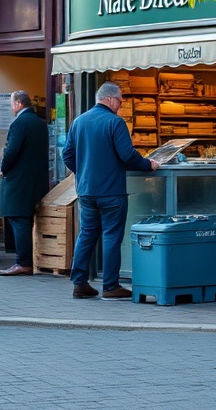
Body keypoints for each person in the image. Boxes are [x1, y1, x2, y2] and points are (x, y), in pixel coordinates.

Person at [61, 81, 160, 300]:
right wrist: (148, 165)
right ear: (109, 99)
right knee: (111, 237)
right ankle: (110, 286)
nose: (121, 105)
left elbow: (66, 154)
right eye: (120, 101)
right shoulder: (115, 123)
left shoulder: (79, 121)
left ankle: (79, 283)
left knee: (86, 235)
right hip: (111, 192)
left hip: (86, 191)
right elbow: (127, 155)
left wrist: (84, 171)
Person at [0, 91, 50, 277]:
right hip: (36, 179)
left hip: (19, 180)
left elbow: (12, 150)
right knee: (25, 219)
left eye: (12, 104)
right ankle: (24, 261)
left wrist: (3, 167)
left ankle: (23, 262)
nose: (12, 108)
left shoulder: (20, 123)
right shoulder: (40, 124)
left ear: (19, 103)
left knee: (18, 218)